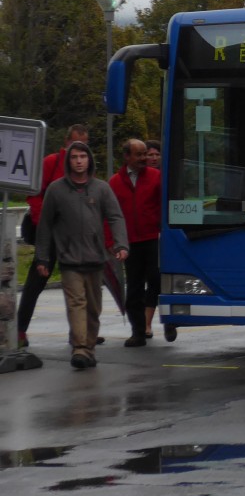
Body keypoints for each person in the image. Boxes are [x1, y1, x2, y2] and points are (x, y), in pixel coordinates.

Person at [34, 141, 129, 370]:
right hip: (69, 259)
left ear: (89, 160)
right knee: (76, 303)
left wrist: (121, 244)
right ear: (69, 162)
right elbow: (45, 225)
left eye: (82, 157)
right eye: (74, 157)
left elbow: (116, 217)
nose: (78, 161)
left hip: (96, 259)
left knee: (93, 308)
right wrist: (42, 258)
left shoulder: (101, 188)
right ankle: (79, 348)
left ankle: (89, 349)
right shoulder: (56, 190)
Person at [17, 123, 89, 349]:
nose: (80, 150)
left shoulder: (85, 167)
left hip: (72, 237)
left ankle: (80, 333)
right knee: (35, 283)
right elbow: (34, 195)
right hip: (48, 235)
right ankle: (19, 330)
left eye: (84, 145)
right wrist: (43, 226)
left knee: (78, 286)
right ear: (66, 142)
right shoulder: (51, 162)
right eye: (76, 143)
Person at [109, 139, 161, 347]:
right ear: (127, 157)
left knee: (156, 280)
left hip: (153, 238)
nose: (143, 159)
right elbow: (110, 214)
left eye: (144, 154)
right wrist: (112, 241)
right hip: (129, 242)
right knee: (134, 288)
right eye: (138, 155)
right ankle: (138, 331)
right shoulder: (114, 182)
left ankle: (165, 322)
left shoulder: (156, 177)